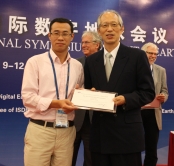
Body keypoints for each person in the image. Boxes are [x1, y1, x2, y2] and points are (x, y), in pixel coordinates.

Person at [84, 10, 155, 166]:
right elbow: (90, 89)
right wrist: (87, 95)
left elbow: (148, 92)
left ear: (122, 29)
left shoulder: (136, 56)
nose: (109, 29)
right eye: (105, 25)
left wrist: (126, 99)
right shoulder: (91, 61)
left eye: (114, 25)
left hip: (126, 135)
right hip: (100, 135)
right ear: (99, 31)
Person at [21, 18, 84, 166]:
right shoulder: (35, 62)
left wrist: (86, 95)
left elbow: (78, 94)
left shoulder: (77, 66)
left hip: (67, 132)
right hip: (40, 131)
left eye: (65, 33)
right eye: (56, 33)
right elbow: (28, 97)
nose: (60, 37)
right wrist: (56, 104)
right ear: (49, 35)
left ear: (72, 36)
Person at [72, 31, 102, 166]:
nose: (83, 45)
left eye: (87, 42)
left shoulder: (105, 63)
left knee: (91, 160)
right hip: (75, 117)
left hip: (94, 119)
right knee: (68, 157)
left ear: (97, 45)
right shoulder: (76, 63)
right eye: (82, 42)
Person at [141, 42, 168, 166]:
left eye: (155, 54)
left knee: (152, 148)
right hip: (137, 112)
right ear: (143, 53)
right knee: (134, 146)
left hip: (153, 114)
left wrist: (163, 97)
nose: (153, 56)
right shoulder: (135, 68)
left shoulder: (161, 70)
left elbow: (164, 90)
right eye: (150, 53)